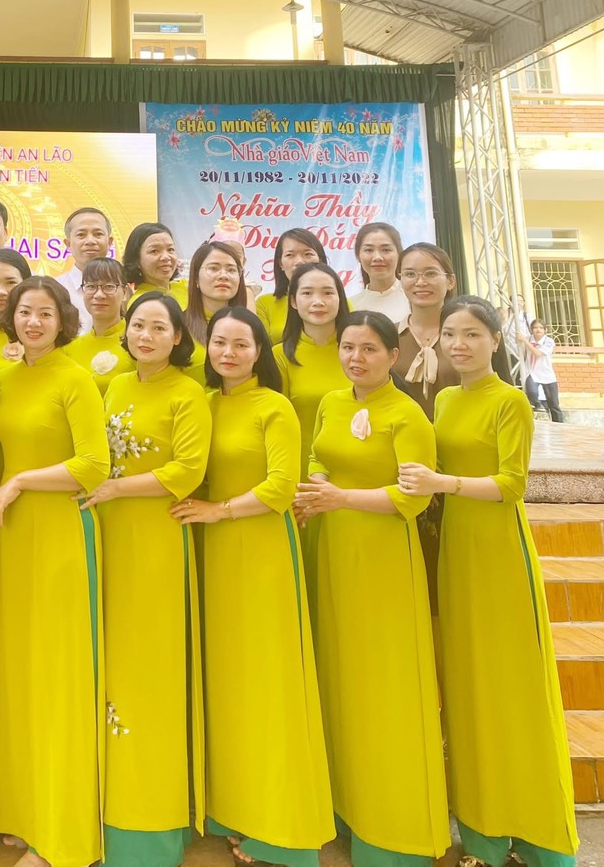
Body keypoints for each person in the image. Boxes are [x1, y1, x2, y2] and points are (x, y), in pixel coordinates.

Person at [398, 296, 578, 867]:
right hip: (456, 547)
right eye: (451, 333)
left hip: (497, 548)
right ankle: (482, 836)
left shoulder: (511, 401)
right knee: (469, 684)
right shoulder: (446, 399)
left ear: (496, 341)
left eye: (473, 334)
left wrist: (441, 483)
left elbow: (510, 484)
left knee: (510, 685)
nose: (459, 344)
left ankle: (535, 830)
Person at [171, 306, 333, 867]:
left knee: (269, 681)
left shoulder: (274, 406)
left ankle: (282, 826)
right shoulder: (203, 402)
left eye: (242, 344)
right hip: (212, 553)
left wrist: (218, 511)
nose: (229, 353)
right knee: (227, 680)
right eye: (220, 342)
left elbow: (281, 486)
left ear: (260, 351)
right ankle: (233, 809)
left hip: (260, 547)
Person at [293, 310, 448, 867]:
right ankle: (344, 808)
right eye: (348, 347)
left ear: (392, 356)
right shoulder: (333, 402)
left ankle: (395, 831)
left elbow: (414, 496)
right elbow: (318, 454)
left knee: (385, 683)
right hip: (330, 546)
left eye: (369, 349)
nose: (355, 358)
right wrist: (320, 484)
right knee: (338, 673)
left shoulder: (407, 415)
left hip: (382, 556)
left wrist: (342, 498)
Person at [83, 291, 211, 867]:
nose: (146, 335)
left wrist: (115, 487)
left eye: (160, 327)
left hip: (156, 536)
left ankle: (151, 826)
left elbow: (188, 470)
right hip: (107, 533)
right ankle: (103, 811)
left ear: (178, 337)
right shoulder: (113, 386)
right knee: (108, 663)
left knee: (151, 669)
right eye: (138, 325)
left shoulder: (188, 393)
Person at [0, 277, 110, 867]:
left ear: (63, 319)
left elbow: (93, 465)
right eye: (24, 312)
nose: (33, 322)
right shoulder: (5, 380)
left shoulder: (75, 378)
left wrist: (21, 482)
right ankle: (24, 812)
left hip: (60, 531)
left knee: (59, 678)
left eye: (44, 313)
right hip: (11, 539)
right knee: (19, 675)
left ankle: (62, 836)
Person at [273, 262, 351, 622]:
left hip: (356, 484)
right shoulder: (280, 357)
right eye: (307, 293)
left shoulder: (356, 349)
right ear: (293, 301)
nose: (318, 301)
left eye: (327, 292)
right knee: (309, 589)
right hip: (302, 488)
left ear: (340, 298)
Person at [394, 242, 460, 419]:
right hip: (401, 434)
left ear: (450, 281)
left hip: (464, 433)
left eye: (430, 273)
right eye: (410, 274)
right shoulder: (388, 335)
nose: (420, 282)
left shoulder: (468, 334)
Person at [64, 257, 135, 395]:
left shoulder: (137, 341)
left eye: (109, 286)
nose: (99, 295)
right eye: (91, 287)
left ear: (125, 292)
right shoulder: (69, 348)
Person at [182, 240, 248, 380]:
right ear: (196, 278)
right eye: (213, 268)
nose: (223, 275)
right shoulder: (177, 326)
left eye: (231, 270)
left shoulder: (250, 327)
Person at [255, 228, 326, 344]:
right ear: (280, 264)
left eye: (308, 254)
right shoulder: (264, 303)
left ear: (320, 259)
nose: (299, 261)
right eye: (290, 255)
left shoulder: (337, 301)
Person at [52, 207, 113, 333]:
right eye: (81, 235)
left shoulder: (123, 286)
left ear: (109, 242)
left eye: (98, 234)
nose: (90, 241)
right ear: (68, 244)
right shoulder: (54, 289)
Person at [348, 222, 410, 325]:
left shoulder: (414, 298)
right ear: (358, 256)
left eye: (386, 250)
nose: (377, 257)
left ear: (399, 254)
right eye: (369, 250)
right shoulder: (350, 306)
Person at [123, 223, 187, 307]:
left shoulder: (187, 289)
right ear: (137, 260)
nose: (166, 257)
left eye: (170, 249)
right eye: (154, 251)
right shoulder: (140, 304)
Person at [520, 319, 563, 423]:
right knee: (532, 392)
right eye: (535, 327)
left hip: (547, 375)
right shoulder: (528, 339)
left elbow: (537, 354)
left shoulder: (549, 341)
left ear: (545, 330)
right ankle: (540, 407)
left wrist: (525, 341)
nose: (538, 330)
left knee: (553, 403)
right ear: (531, 329)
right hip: (532, 372)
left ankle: (559, 423)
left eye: (541, 328)